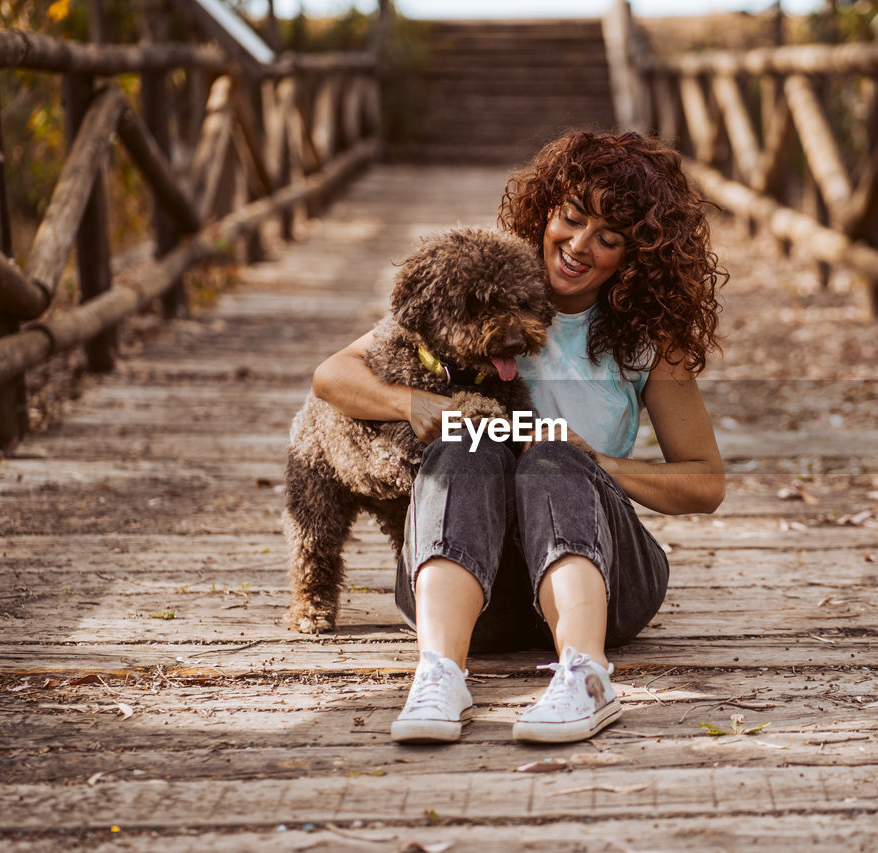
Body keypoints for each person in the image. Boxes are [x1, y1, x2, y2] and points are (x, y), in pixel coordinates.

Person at [311, 130, 726, 744]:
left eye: (607, 239)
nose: (579, 246)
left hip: (604, 583)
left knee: (553, 456)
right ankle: (440, 673)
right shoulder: (479, 284)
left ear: (637, 255)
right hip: (477, 592)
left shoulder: (644, 339)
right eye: (572, 218)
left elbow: (705, 482)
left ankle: (586, 677)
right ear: (547, 208)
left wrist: (595, 461)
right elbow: (332, 375)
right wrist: (413, 403)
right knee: (468, 435)